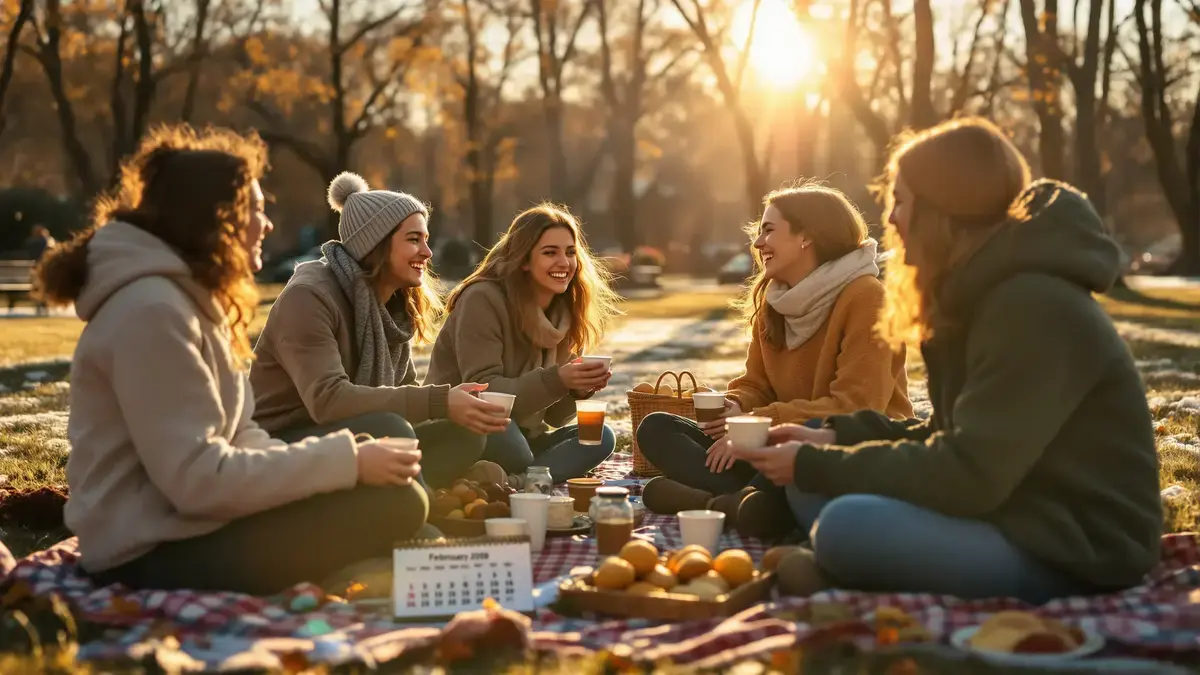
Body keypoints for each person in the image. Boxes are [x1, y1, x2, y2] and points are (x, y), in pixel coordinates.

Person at [728, 117, 1162, 604]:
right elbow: (948, 432)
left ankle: (843, 563)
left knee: (844, 525)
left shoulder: (1033, 307)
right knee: (809, 488)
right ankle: (850, 564)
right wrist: (831, 437)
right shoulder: (977, 296)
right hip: (1008, 504)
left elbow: (969, 472)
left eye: (902, 201)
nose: (891, 219)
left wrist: (817, 463)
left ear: (943, 208)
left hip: (1074, 543)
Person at [33, 124, 429, 595]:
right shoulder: (152, 312)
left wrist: (340, 469)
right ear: (216, 218)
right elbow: (197, 479)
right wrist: (347, 462)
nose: (267, 226)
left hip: (196, 522)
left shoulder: (192, 301)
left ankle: (361, 562)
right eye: (256, 211)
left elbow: (241, 436)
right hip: (144, 553)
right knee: (396, 507)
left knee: (397, 504)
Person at [637, 184, 913, 539]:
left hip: (843, 447)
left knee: (791, 467)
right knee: (657, 427)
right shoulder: (775, 298)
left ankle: (719, 503)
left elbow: (857, 408)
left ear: (806, 237)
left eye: (769, 230)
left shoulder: (867, 298)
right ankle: (745, 502)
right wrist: (735, 405)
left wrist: (756, 425)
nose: (757, 243)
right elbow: (758, 384)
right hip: (772, 442)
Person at [250, 173, 508, 489]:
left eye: (426, 239)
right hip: (289, 443)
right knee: (391, 428)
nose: (427, 252)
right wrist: (440, 401)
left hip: (356, 433)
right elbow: (328, 401)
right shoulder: (309, 296)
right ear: (376, 245)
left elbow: (405, 387)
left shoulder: (393, 303)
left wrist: (457, 408)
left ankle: (425, 495)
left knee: (467, 432)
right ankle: (419, 506)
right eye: (414, 240)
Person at [424, 204, 621, 483]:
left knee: (599, 436)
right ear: (524, 259)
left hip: (526, 435)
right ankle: (534, 473)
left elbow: (553, 417)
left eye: (570, 252)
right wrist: (557, 379)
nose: (564, 263)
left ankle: (519, 480)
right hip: (468, 427)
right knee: (514, 450)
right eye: (550, 252)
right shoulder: (483, 299)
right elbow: (484, 392)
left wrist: (576, 390)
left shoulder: (564, 313)